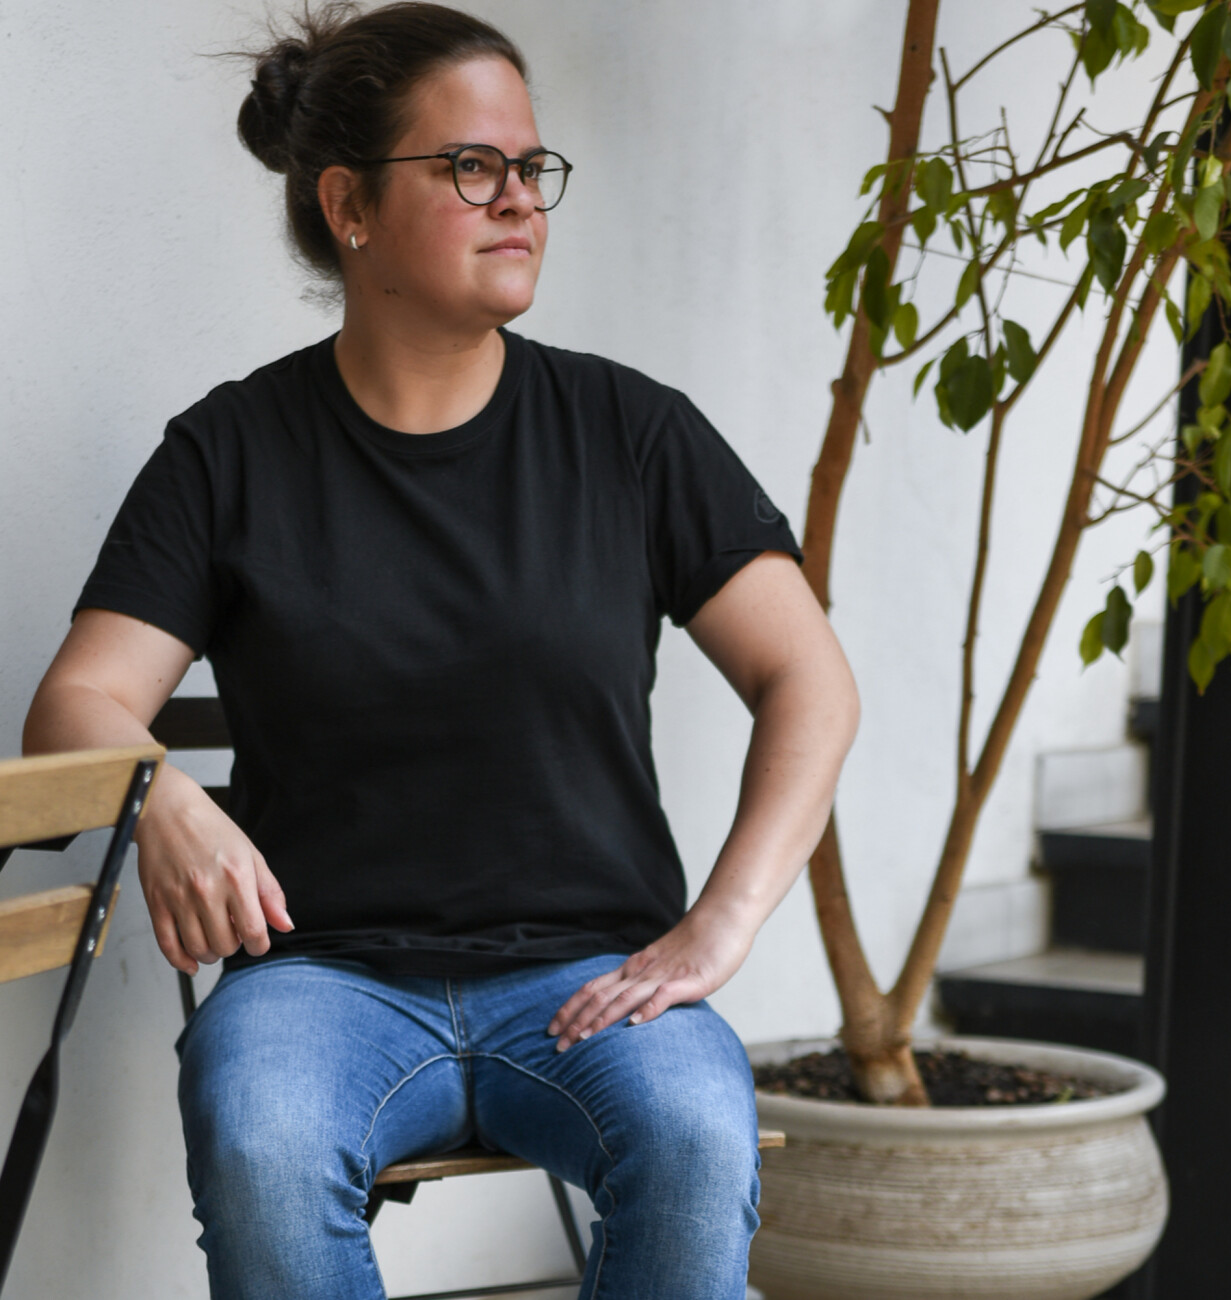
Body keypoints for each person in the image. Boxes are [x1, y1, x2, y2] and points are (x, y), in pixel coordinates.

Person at [22, 4, 859, 1298]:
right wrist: (167, 800)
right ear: (348, 204)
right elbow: (76, 700)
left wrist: (723, 923)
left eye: (531, 166)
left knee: (696, 1138)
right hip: (323, 980)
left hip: (593, 977)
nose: (519, 198)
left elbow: (810, 677)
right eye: (472, 166)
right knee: (263, 1143)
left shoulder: (631, 435)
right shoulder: (229, 453)